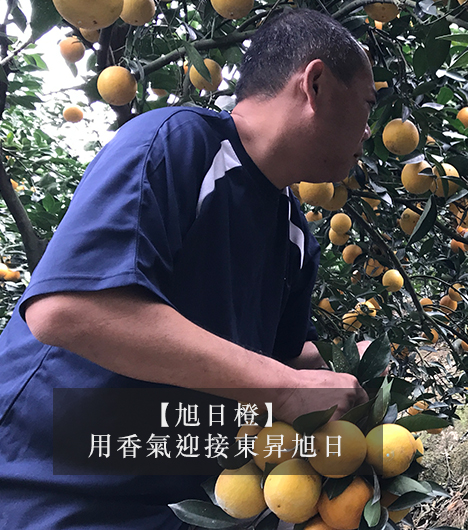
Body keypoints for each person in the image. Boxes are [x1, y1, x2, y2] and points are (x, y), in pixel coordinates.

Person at [0, 8, 377, 529]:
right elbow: (69, 309)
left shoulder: (295, 234)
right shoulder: (179, 142)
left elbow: (276, 358)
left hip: (177, 502)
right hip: (53, 491)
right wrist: (284, 387)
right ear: (314, 84)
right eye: (366, 105)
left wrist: (342, 369)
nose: (368, 130)